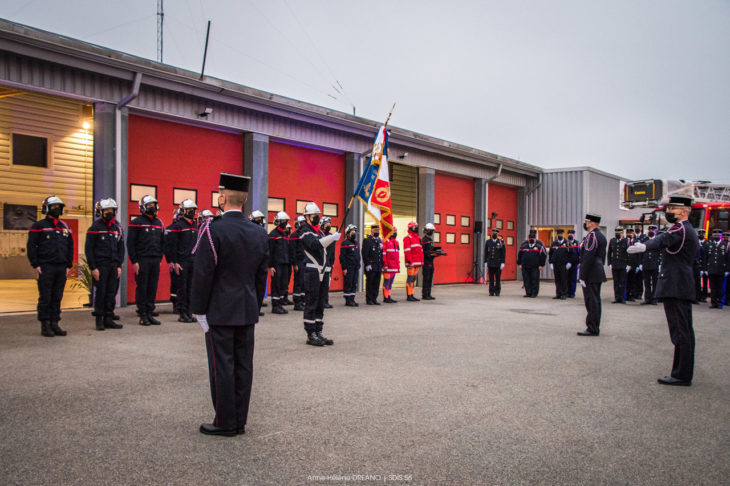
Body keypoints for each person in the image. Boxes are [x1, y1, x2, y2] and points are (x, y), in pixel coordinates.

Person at [192, 173, 268, 436]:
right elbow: (261, 276)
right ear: (244, 200)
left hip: (220, 309)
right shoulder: (259, 232)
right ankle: (239, 421)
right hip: (246, 308)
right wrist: (254, 304)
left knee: (222, 366)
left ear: (222, 198)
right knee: (244, 366)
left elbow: (203, 273)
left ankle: (225, 422)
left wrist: (199, 309)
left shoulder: (212, 229)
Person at [628, 196, 699, 386]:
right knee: (683, 330)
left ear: (684, 211)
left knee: (680, 332)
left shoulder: (680, 229)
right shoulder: (686, 229)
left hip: (676, 285)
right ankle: (681, 372)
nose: (668, 212)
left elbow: (664, 239)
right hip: (680, 284)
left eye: (672, 208)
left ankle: (681, 375)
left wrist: (645, 246)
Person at [27, 195, 74, 337]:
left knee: (57, 297)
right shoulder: (38, 226)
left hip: (61, 267)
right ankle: (45, 325)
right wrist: (35, 264)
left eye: (59, 207)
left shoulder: (64, 226)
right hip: (45, 267)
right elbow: (31, 246)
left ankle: (55, 323)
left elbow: (70, 246)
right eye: (54, 207)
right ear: (46, 208)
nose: (57, 209)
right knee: (45, 297)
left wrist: (68, 265)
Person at [299, 203, 340, 346]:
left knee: (321, 303)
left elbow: (326, 251)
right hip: (312, 270)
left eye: (317, 215)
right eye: (314, 215)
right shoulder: (305, 231)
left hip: (323, 270)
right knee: (312, 301)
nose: (317, 217)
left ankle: (318, 331)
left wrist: (331, 239)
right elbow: (314, 245)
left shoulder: (320, 232)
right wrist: (331, 238)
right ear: (307, 217)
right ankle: (310, 334)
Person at [85, 198, 125, 331]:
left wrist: (119, 265)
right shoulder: (95, 228)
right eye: (106, 210)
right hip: (100, 266)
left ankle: (108, 318)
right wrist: (93, 268)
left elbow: (121, 248)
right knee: (101, 293)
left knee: (111, 292)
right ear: (100, 211)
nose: (109, 212)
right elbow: (89, 249)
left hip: (113, 265)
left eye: (111, 210)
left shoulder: (117, 228)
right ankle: (99, 320)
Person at [128, 195, 165, 326]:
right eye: (149, 205)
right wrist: (134, 261)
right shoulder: (136, 222)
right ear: (142, 207)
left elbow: (162, 242)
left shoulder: (159, 223)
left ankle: (150, 313)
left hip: (155, 260)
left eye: (153, 205)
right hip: (142, 260)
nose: (152, 207)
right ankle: (142, 314)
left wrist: (160, 258)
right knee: (142, 288)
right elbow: (130, 243)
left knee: (152, 287)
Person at [168, 199, 199, 323]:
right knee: (182, 289)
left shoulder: (195, 226)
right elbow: (172, 245)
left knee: (191, 288)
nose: (192, 212)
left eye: (193, 210)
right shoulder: (178, 226)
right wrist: (174, 262)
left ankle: (189, 312)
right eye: (189, 210)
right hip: (181, 262)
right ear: (183, 211)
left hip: (193, 261)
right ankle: (182, 313)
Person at [577, 213, 607, 336]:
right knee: (594, 300)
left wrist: (582, 275)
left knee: (592, 301)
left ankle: (592, 327)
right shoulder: (600, 236)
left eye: (587, 222)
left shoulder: (592, 236)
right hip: (596, 271)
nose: (586, 224)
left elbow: (588, 257)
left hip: (591, 273)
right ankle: (593, 326)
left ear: (592, 223)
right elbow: (602, 256)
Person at [268, 211, 291, 315]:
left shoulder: (285, 234)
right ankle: (275, 306)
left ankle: (280, 304)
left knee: (283, 284)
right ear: (278, 221)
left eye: (286, 221)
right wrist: (271, 266)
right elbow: (270, 251)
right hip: (276, 264)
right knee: (276, 284)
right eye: (283, 221)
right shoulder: (273, 234)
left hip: (285, 263)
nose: (284, 223)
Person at [702, 229, 728, 309]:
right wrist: (705, 269)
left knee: (720, 288)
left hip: (721, 269)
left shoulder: (725, 245)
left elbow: (728, 258)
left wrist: (727, 270)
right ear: (712, 235)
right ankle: (713, 302)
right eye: (714, 234)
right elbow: (705, 258)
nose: (716, 236)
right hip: (711, 269)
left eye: (718, 234)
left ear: (721, 236)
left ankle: (720, 303)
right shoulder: (709, 245)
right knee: (713, 288)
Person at [517, 229, 546, 298]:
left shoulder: (539, 247)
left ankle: (534, 293)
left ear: (535, 239)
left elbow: (543, 256)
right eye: (530, 238)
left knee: (534, 280)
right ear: (528, 239)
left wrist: (541, 265)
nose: (531, 239)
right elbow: (519, 255)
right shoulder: (524, 246)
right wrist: (519, 264)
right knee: (526, 280)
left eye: (533, 238)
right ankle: (528, 293)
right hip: (525, 266)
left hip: (535, 266)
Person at [361, 223, 383, 305]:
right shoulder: (367, 240)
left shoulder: (379, 240)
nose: (377, 232)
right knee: (370, 283)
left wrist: (382, 264)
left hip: (378, 266)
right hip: (371, 265)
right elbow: (365, 253)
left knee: (377, 283)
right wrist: (367, 264)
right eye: (376, 230)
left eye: (378, 230)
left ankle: (374, 298)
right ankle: (369, 299)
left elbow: (381, 254)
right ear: (372, 231)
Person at [340, 224, 361, 306]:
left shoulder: (357, 243)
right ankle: (348, 300)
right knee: (348, 283)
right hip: (349, 267)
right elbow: (342, 257)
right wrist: (344, 268)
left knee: (354, 283)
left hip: (355, 267)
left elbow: (358, 255)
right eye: (352, 232)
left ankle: (352, 299)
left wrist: (358, 265)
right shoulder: (345, 243)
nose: (354, 233)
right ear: (348, 233)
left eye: (355, 232)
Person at [164, 209, 180, 315]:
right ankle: (175, 304)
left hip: (184, 260)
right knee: (175, 283)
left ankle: (183, 304)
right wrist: (170, 261)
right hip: (174, 261)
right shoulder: (169, 229)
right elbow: (167, 246)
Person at [421, 223, 443, 300]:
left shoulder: (430, 240)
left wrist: (437, 252)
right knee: (426, 278)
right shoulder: (424, 240)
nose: (432, 232)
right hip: (426, 261)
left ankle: (429, 294)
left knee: (430, 278)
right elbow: (423, 251)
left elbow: (431, 249)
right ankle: (425, 295)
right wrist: (430, 254)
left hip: (431, 261)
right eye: (431, 230)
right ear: (427, 230)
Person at [403, 221, 424, 302]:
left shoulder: (418, 238)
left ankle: (411, 294)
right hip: (411, 263)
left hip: (417, 262)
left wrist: (421, 261)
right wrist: (409, 261)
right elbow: (407, 251)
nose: (416, 228)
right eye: (415, 226)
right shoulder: (407, 238)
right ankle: (409, 295)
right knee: (410, 278)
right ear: (411, 228)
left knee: (413, 279)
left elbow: (421, 251)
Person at [640, 225, 660, 305]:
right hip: (646, 263)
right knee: (646, 282)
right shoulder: (644, 240)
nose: (651, 231)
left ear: (655, 231)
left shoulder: (658, 240)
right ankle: (647, 298)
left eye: (652, 230)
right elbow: (641, 251)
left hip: (655, 263)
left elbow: (661, 252)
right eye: (650, 230)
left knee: (655, 282)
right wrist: (640, 263)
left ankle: (654, 299)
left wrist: (660, 263)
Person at [608, 226, 629, 303]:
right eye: (616, 233)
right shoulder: (612, 241)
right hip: (615, 264)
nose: (617, 234)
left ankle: (622, 298)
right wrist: (609, 263)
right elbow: (609, 252)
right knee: (616, 282)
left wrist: (628, 264)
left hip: (623, 264)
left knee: (622, 282)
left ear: (622, 233)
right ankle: (617, 297)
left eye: (619, 233)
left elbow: (629, 253)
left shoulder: (626, 241)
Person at [549, 229, 571, 300]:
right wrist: (551, 262)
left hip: (564, 264)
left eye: (561, 234)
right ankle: (558, 294)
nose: (560, 235)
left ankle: (564, 294)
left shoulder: (567, 243)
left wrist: (569, 262)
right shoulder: (554, 243)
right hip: (556, 264)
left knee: (564, 279)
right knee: (557, 279)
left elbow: (571, 253)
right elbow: (551, 253)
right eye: (558, 234)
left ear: (563, 234)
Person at [290, 215, 306, 311]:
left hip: (305, 261)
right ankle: (297, 302)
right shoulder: (294, 235)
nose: (304, 224)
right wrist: (294, 263)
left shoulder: (305, 234)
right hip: (298, 261)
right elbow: (292, 251)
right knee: (298, 282)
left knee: (304, 282)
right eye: (302, 223)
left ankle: (302, 300)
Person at [320, 216, 336, 309]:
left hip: (329, 263)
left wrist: (332, 262)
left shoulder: (331, 236)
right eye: (327, 224)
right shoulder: (320, 235)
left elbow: (332, 251)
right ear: (322, 225)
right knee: (321, 284)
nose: (329, 225)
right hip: (322, 263)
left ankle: (325, 301)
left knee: (327, 284)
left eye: (330, 224)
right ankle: (321, 301)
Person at [484, 228, 506, 296]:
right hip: (490, 262)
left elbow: (503, 253)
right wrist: (485, 261)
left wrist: (503, 262)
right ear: (492, 234)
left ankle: (497, 291)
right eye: (493, 233)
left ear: (497, 234)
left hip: (498, 263)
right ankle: (491, 291)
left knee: (498, 278)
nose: (494, 234)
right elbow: (486, 252)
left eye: (495, 233)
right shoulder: (488, 242)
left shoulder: (501, 242)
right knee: (491, 278)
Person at [382, 227, 401, 303]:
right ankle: (386, 297)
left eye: (396, 231)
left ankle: (389, 296)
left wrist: (397, 265)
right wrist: (385, 264)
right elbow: (384, 254)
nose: (395, 233)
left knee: (390, 283)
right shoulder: (385, 241)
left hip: (394, 266)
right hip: (388, 266)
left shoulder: (396, 242)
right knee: (386, 282)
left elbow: (397, 255)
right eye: (394, 231)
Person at [567, 229, 581, 298]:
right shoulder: (566, 243)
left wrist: (579, 263)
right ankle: (567, 292)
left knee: (573, 279)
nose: (570, 236)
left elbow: (580, 254)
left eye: (572, 234)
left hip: (575, 264)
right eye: (569, 234)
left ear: (574, 235)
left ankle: (572, 293)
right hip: (567, 264)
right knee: (567, 278)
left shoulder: (577, 243)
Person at [697, 229, 709, 302]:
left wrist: (705, 268)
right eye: (700, 234)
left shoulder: (707, 244)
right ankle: (697, 296)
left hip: (704, 266)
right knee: (697, 282)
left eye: (702, 234)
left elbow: (707, 257)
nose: (701, 235)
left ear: (704, 235)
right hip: (697, 266)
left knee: (705, 283)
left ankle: (704, 297)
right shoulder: (696, 243)